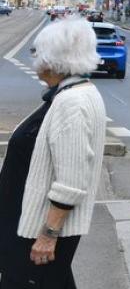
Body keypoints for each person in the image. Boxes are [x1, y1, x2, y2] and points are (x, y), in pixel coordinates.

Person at [0, 17, 107, 288]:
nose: (34, 59)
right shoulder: (71, 93)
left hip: (36, 234)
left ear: (51, 60)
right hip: (29, 228)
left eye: (37, 53)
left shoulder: (71, 103)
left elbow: (72, 182)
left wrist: (48, 236)